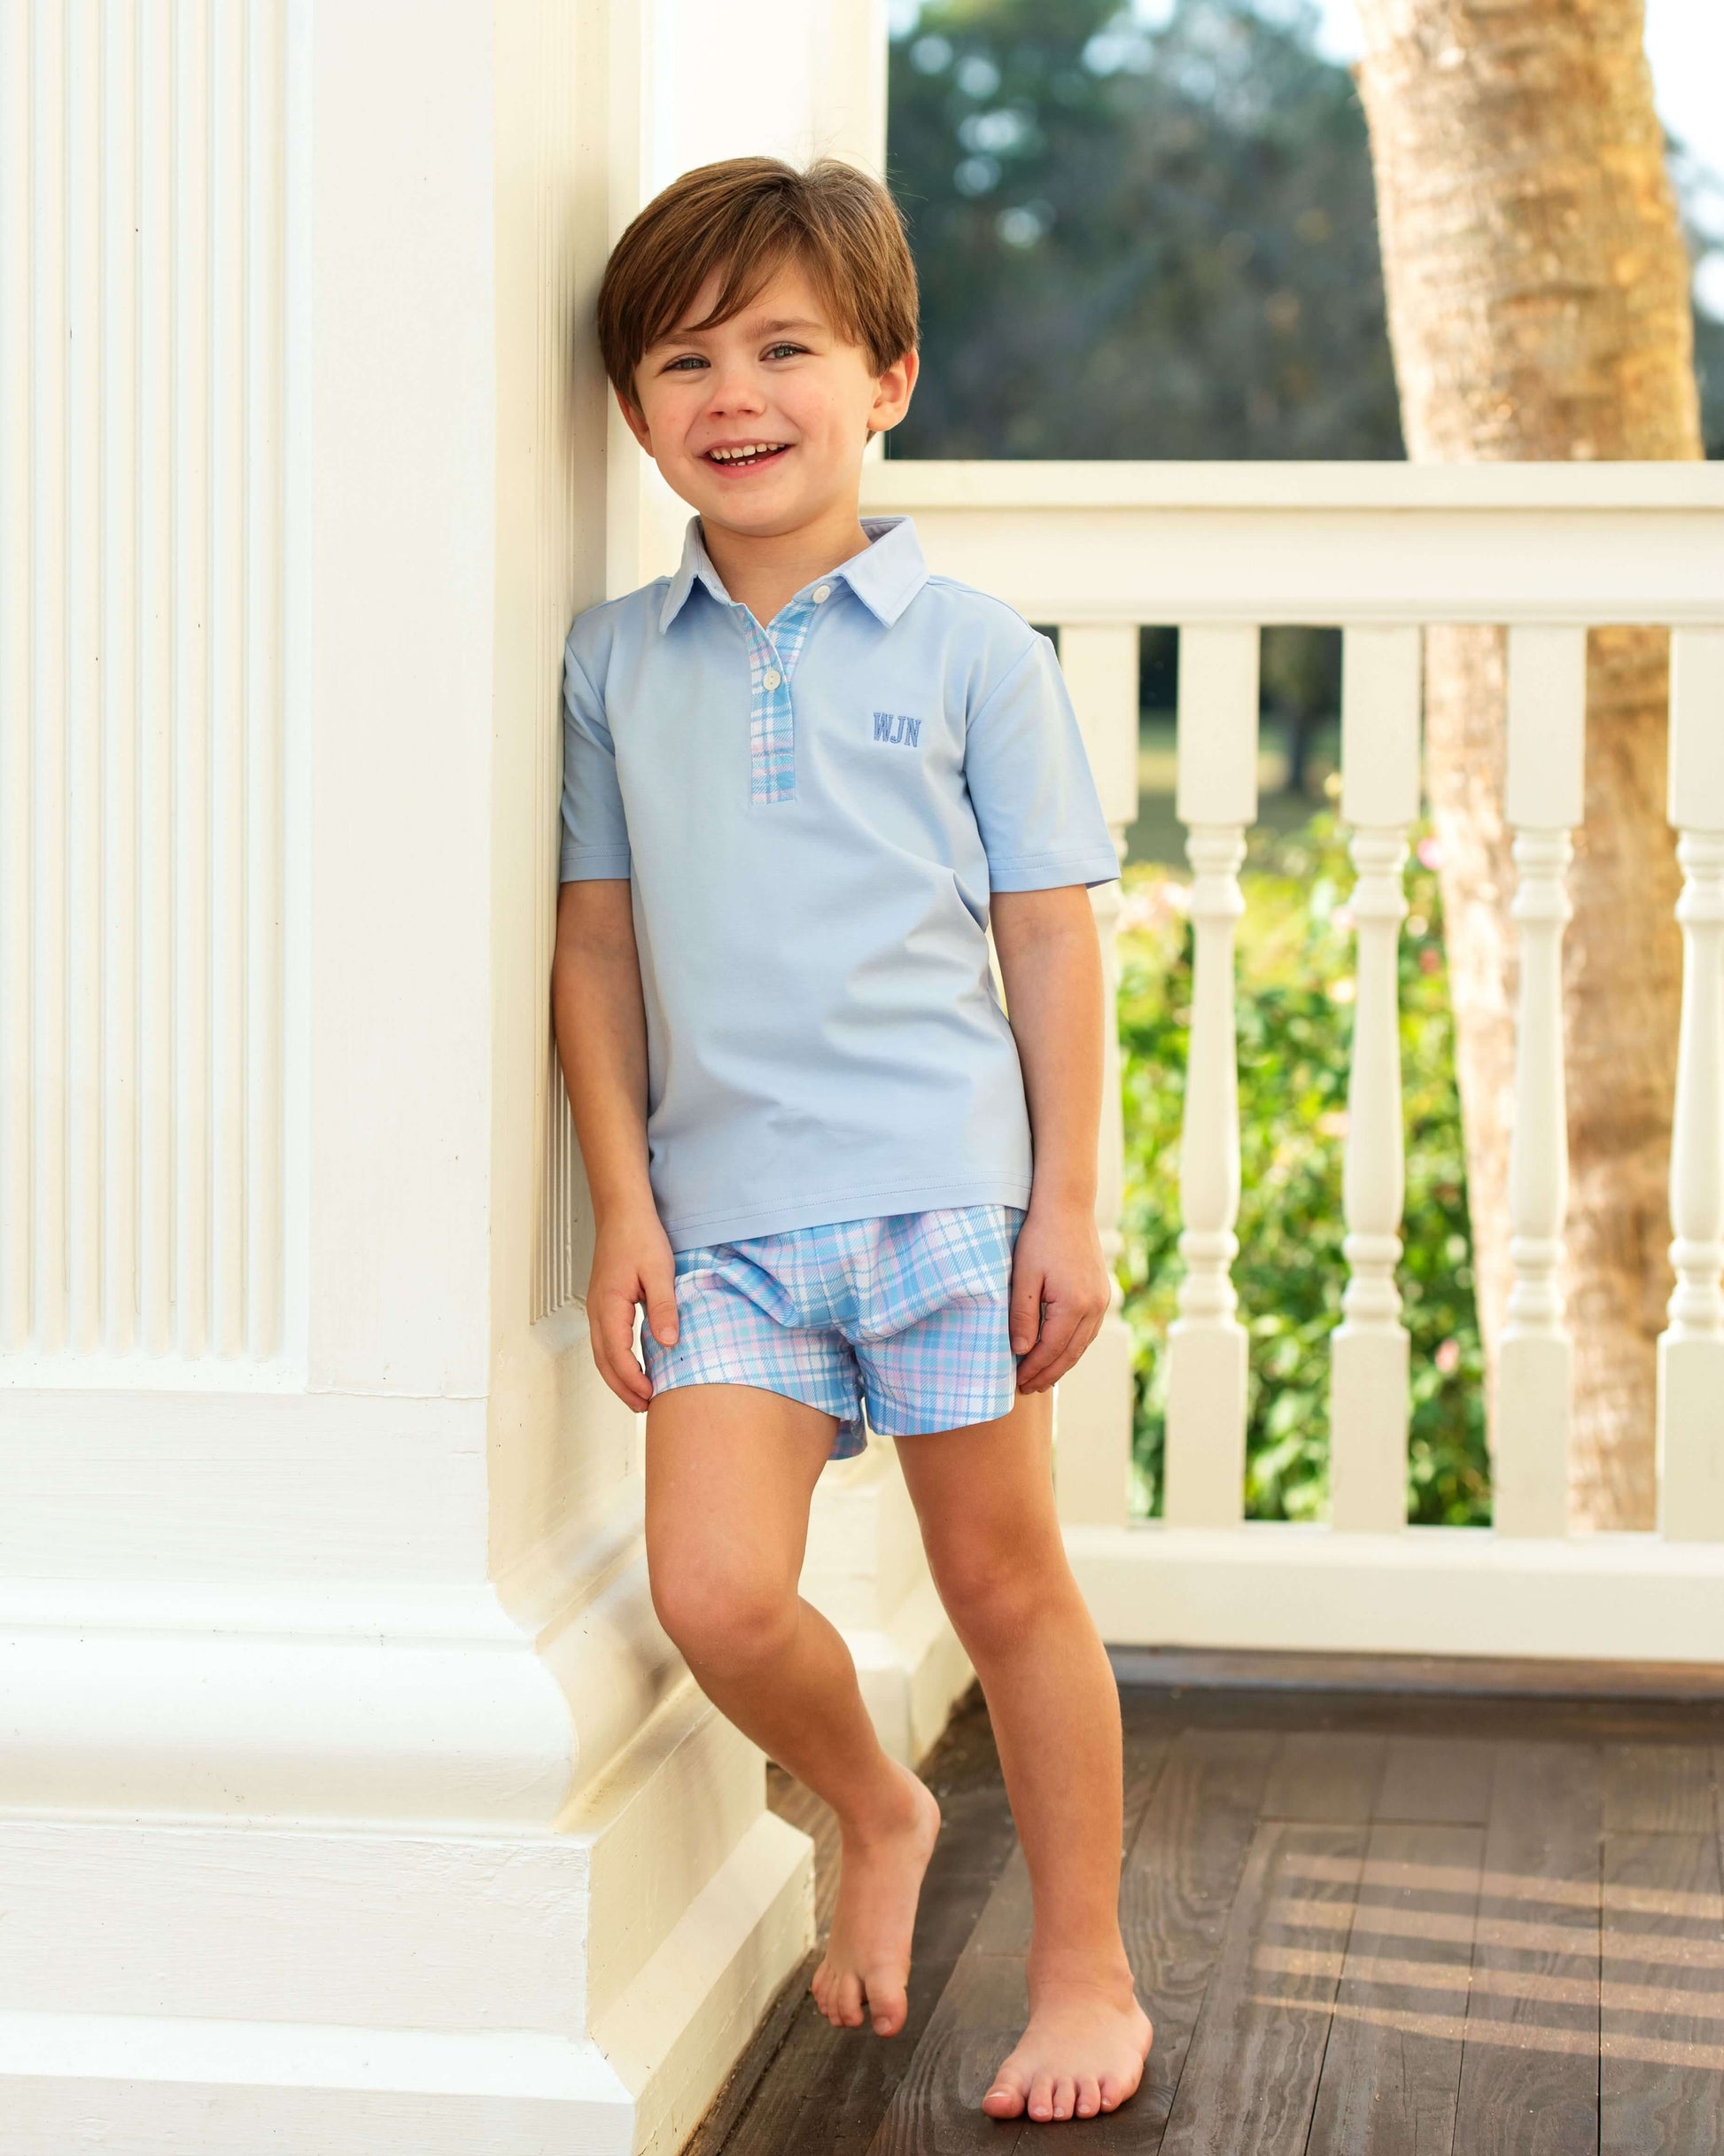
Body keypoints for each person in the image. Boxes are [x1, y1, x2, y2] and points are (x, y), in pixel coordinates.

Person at [551, 152, 1153, 2127]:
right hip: (722, 1221)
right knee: (717, 1591)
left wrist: (1063, 1199)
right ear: (633, 413)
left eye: (784, 346)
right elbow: (599, 942)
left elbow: (1048, 939)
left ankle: (1085, 1965)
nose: (734, 392)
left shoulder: (976, 649)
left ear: (887, 373)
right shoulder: (612, 665)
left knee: (1006, 1584)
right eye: (682, 356)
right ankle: (877, 1799)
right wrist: (623, 1204)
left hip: (943, 1200)